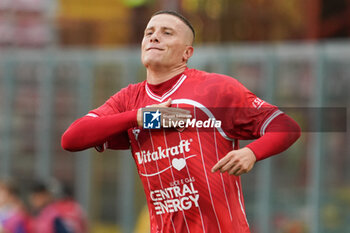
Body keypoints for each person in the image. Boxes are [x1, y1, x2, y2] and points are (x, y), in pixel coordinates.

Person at [61, 10, 301, 233]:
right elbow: (71, 138)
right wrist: (139, 117)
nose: (155, 37)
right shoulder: (128, 100)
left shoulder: (216, 89)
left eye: (167, 33)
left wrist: (251, 153)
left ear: (187, 53)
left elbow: (286, 127)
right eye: (149, 32)